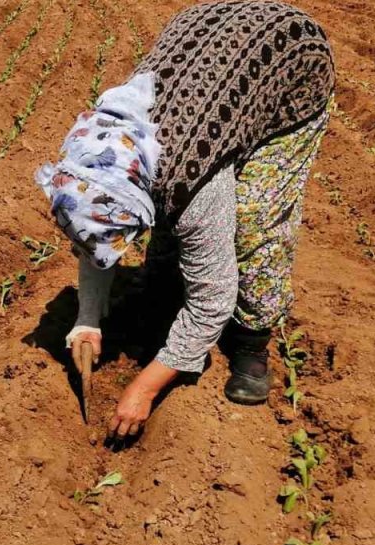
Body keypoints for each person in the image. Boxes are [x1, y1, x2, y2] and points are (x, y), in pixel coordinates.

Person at [35, 1, 335, 441]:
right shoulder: (97, 156)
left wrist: (146, 387)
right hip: (212, 51)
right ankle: (163, 288)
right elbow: (94, 238)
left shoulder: (190, 181)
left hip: (292, 64)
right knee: (177, 215)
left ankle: (253, 340)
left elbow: (213, 299)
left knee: (253, 216)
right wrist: (87, 320)